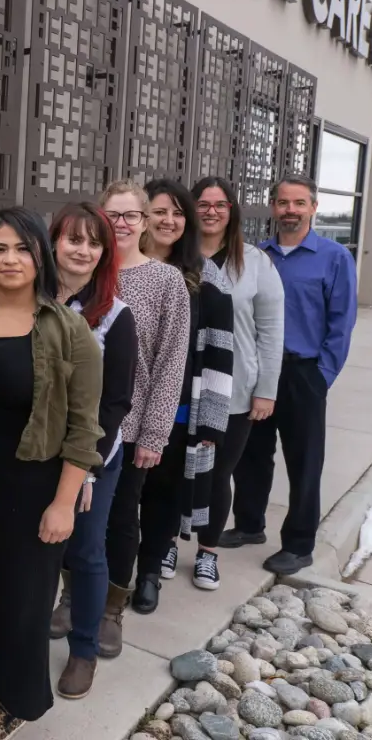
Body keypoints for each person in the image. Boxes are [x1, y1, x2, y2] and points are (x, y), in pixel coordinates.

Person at [0, 207, 103, 740]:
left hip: (31, 485)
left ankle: (16, 698)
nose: (10, 259)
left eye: (22, 249)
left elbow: (83, 428)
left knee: (22, 599)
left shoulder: (68, 329)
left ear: (41, 257)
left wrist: (63, 502)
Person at [226, 175, 357, 575]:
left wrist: (323, 376)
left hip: (303, 373)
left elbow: (342, 322)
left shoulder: (334, 258)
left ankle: (299, 545)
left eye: (299, 203)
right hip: (258, 370)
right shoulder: (254, 255)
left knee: (304, 462)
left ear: (313, 208)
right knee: (251, 456)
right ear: (272, 207)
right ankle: (250, 525)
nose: (290, 210)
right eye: (283, 203)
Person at [46, 203, 138, 700]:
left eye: (93, 242)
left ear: (104, 253)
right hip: (35, 451)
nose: (82, 250)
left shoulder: (115, 317)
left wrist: (83, 468)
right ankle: (16, 634)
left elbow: (117, 402)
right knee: (29, 549)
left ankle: (83, 649)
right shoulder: (28, 300)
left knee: (84, 549)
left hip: (93, 456)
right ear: (54, 242)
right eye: (73, 239)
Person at [98, 182, 190, 652]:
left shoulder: (166, 281)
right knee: (73, 517)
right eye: (113, 215)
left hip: (132, 429)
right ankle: (73, 597)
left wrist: (156, 432)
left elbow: (172, 361)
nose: (122, 224)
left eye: (131, 216)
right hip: (78, 425)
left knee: (119, 518)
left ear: (145, 222)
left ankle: (111, 607)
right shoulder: (84, 270)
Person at [135, 179, 233, 614]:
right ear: (143, 216)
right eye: (160, 211)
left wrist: (211, 421)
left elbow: (219, 350)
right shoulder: (118, 266)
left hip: (179, 412)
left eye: (178, 213)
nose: (169, 221)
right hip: (124, 408)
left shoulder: (204, 276)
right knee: (118, 501)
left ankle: (149, 574)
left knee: (163, 496)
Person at [192, 177, 284, 588]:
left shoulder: (255, 263)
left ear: (232, 210)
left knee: (216, 474)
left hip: (236, 389)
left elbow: (271, 331)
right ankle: (170, 540)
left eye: (220, 204)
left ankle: (207, 551)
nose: (211, 211)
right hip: (182, 384)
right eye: (203, 203)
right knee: (177, 470)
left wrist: (266, 389)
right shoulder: (180, 257)